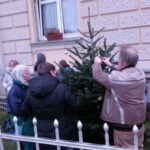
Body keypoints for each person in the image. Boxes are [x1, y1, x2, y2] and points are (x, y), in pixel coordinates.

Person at [92, 45, 146, 150]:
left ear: (122, 62)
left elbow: (98, 75)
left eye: (119, 58)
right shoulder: (141, 74)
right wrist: (110, 64)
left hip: (124, 128)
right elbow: (125, 70)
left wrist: (97, 63)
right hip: (139, 123)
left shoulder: (116, 78)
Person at [24, 62, 79, 150]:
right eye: (55, 71)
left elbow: (26, 109)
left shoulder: (30, 90)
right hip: (62, 128)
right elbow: (75, 105)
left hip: (41, 130)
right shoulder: (62, 87)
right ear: (51, 72)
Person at [7, 64, 35, 150]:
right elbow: (18, 109)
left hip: (28, 119)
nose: (29, 75)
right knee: (29, 142)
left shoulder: (25, 86)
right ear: (20, 76)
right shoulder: (14, 90)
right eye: (27, 73)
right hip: (22, 121)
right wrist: (34, 106)